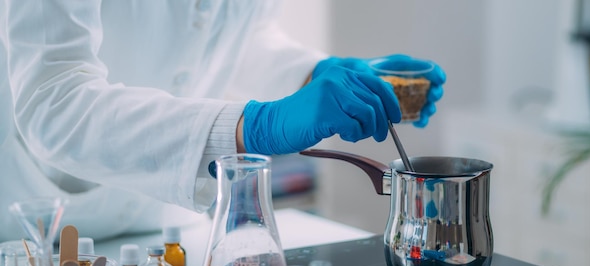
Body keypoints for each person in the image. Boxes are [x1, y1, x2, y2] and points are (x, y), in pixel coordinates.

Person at [0, 0, 445, 240]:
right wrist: (253, 127)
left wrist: (315, 74)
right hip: (35, 235)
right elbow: (53, 99)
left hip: (170, 226)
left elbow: (236, 33)